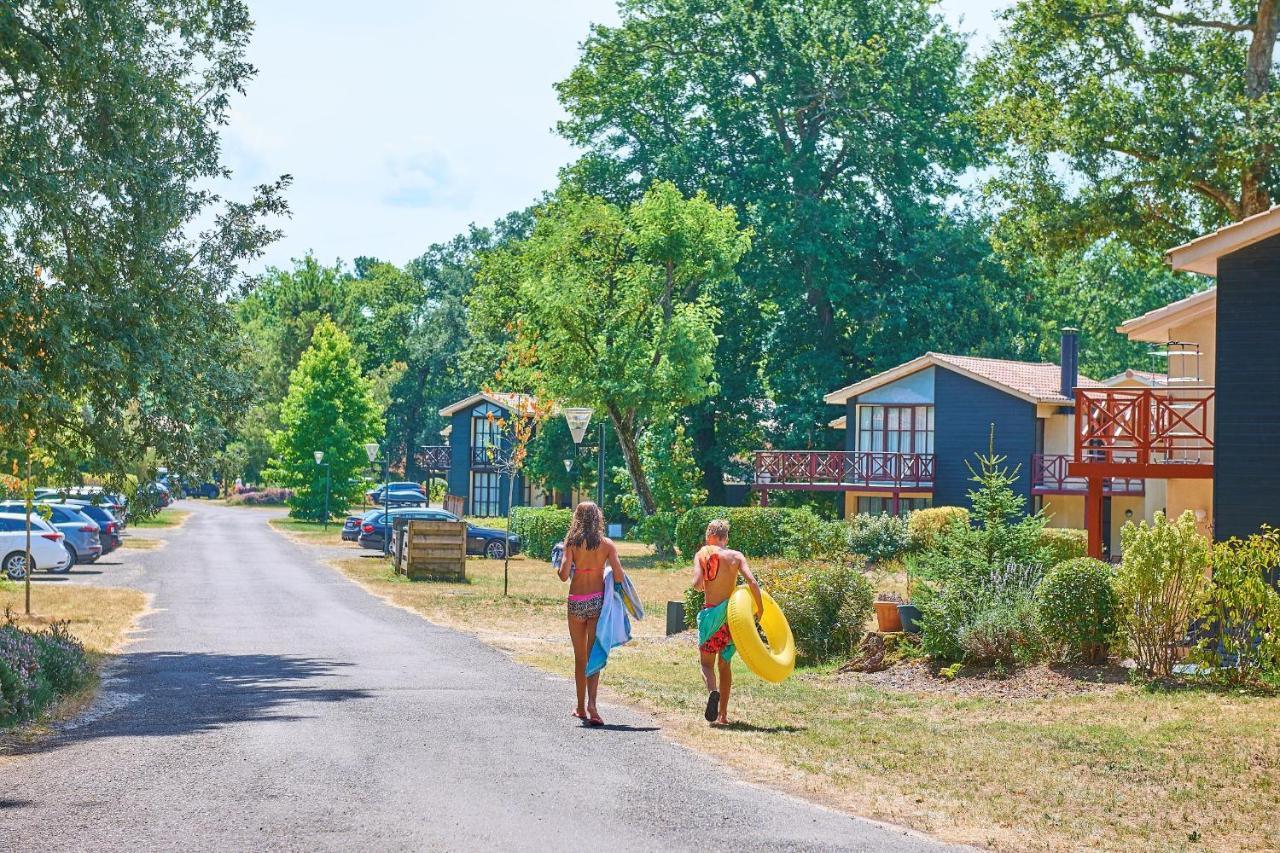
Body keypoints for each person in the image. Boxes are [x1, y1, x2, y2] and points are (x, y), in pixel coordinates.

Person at [558, 501, 627, 726]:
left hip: (576, 601)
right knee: (593, 655)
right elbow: (619, 576)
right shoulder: (607, 545)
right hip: (597, 602)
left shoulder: (571, 543)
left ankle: (580, 706)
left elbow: (563, 574)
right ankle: (593, 705)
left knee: (580, 658)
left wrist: (565, 559)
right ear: (598, 518)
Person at [693, 518, 762, 726]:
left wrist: (707, 578)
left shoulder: (703, 554)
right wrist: (760, 610)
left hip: (711, 615)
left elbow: (697, 585)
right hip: (732, 617)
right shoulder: (736, 556)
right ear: (726, 538)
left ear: (709, 537)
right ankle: (723, 715)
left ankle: (712, 691)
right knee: (725, 665)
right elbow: (752, 582)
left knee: (706, 664)